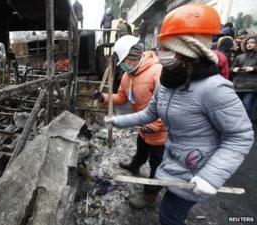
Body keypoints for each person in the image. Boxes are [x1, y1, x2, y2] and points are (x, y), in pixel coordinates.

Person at [104, 4, 254, 225]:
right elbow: (150, 113)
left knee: (169, 216)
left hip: (196, 170)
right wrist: (118, 121)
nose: (159, 53)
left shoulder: (214, 89)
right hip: (172, 159)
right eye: (161, 47)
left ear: (187, 50)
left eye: (166, 48)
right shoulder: (169, 82)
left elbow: (240, 136)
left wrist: (210, 177)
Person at [94, 35, 166, 208]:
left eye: (125, 60)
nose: (123, 64)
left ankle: (149, 197)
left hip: (162, 133)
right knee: (141, 150)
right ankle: (134, 166)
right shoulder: (128, 75)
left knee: (157, 165)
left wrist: (155, 126)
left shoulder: (157, 72)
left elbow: (168, 104)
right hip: (142, 126)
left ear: (134, 57)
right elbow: (122, 97)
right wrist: (104, 97)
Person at [231, 35, 257, 119]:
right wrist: (234, 69)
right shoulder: (240, 57)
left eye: (252, 42)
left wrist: (253, 68)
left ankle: (247, 124)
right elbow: (231, 68)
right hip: (238, 85)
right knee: (237, 106)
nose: (249, 44)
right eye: (248, 43)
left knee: (247, 105)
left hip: (251, 86)